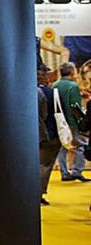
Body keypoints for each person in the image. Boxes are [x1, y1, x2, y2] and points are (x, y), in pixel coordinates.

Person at [54, 62, 89, 182]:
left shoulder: (55, 85)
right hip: (72, 121)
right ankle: (77, 171)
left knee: (62, 147)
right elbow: (75, 106)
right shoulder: (73, 86)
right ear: (72, 72)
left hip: (59, 121)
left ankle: (64, 172)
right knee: (81, 145)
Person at [38, 65, 60, 206]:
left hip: (23, 137)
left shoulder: (20, 92)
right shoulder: (52, 93)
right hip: (48, 135)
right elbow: (49, 115)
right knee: (44, 165)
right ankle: (38, 194)